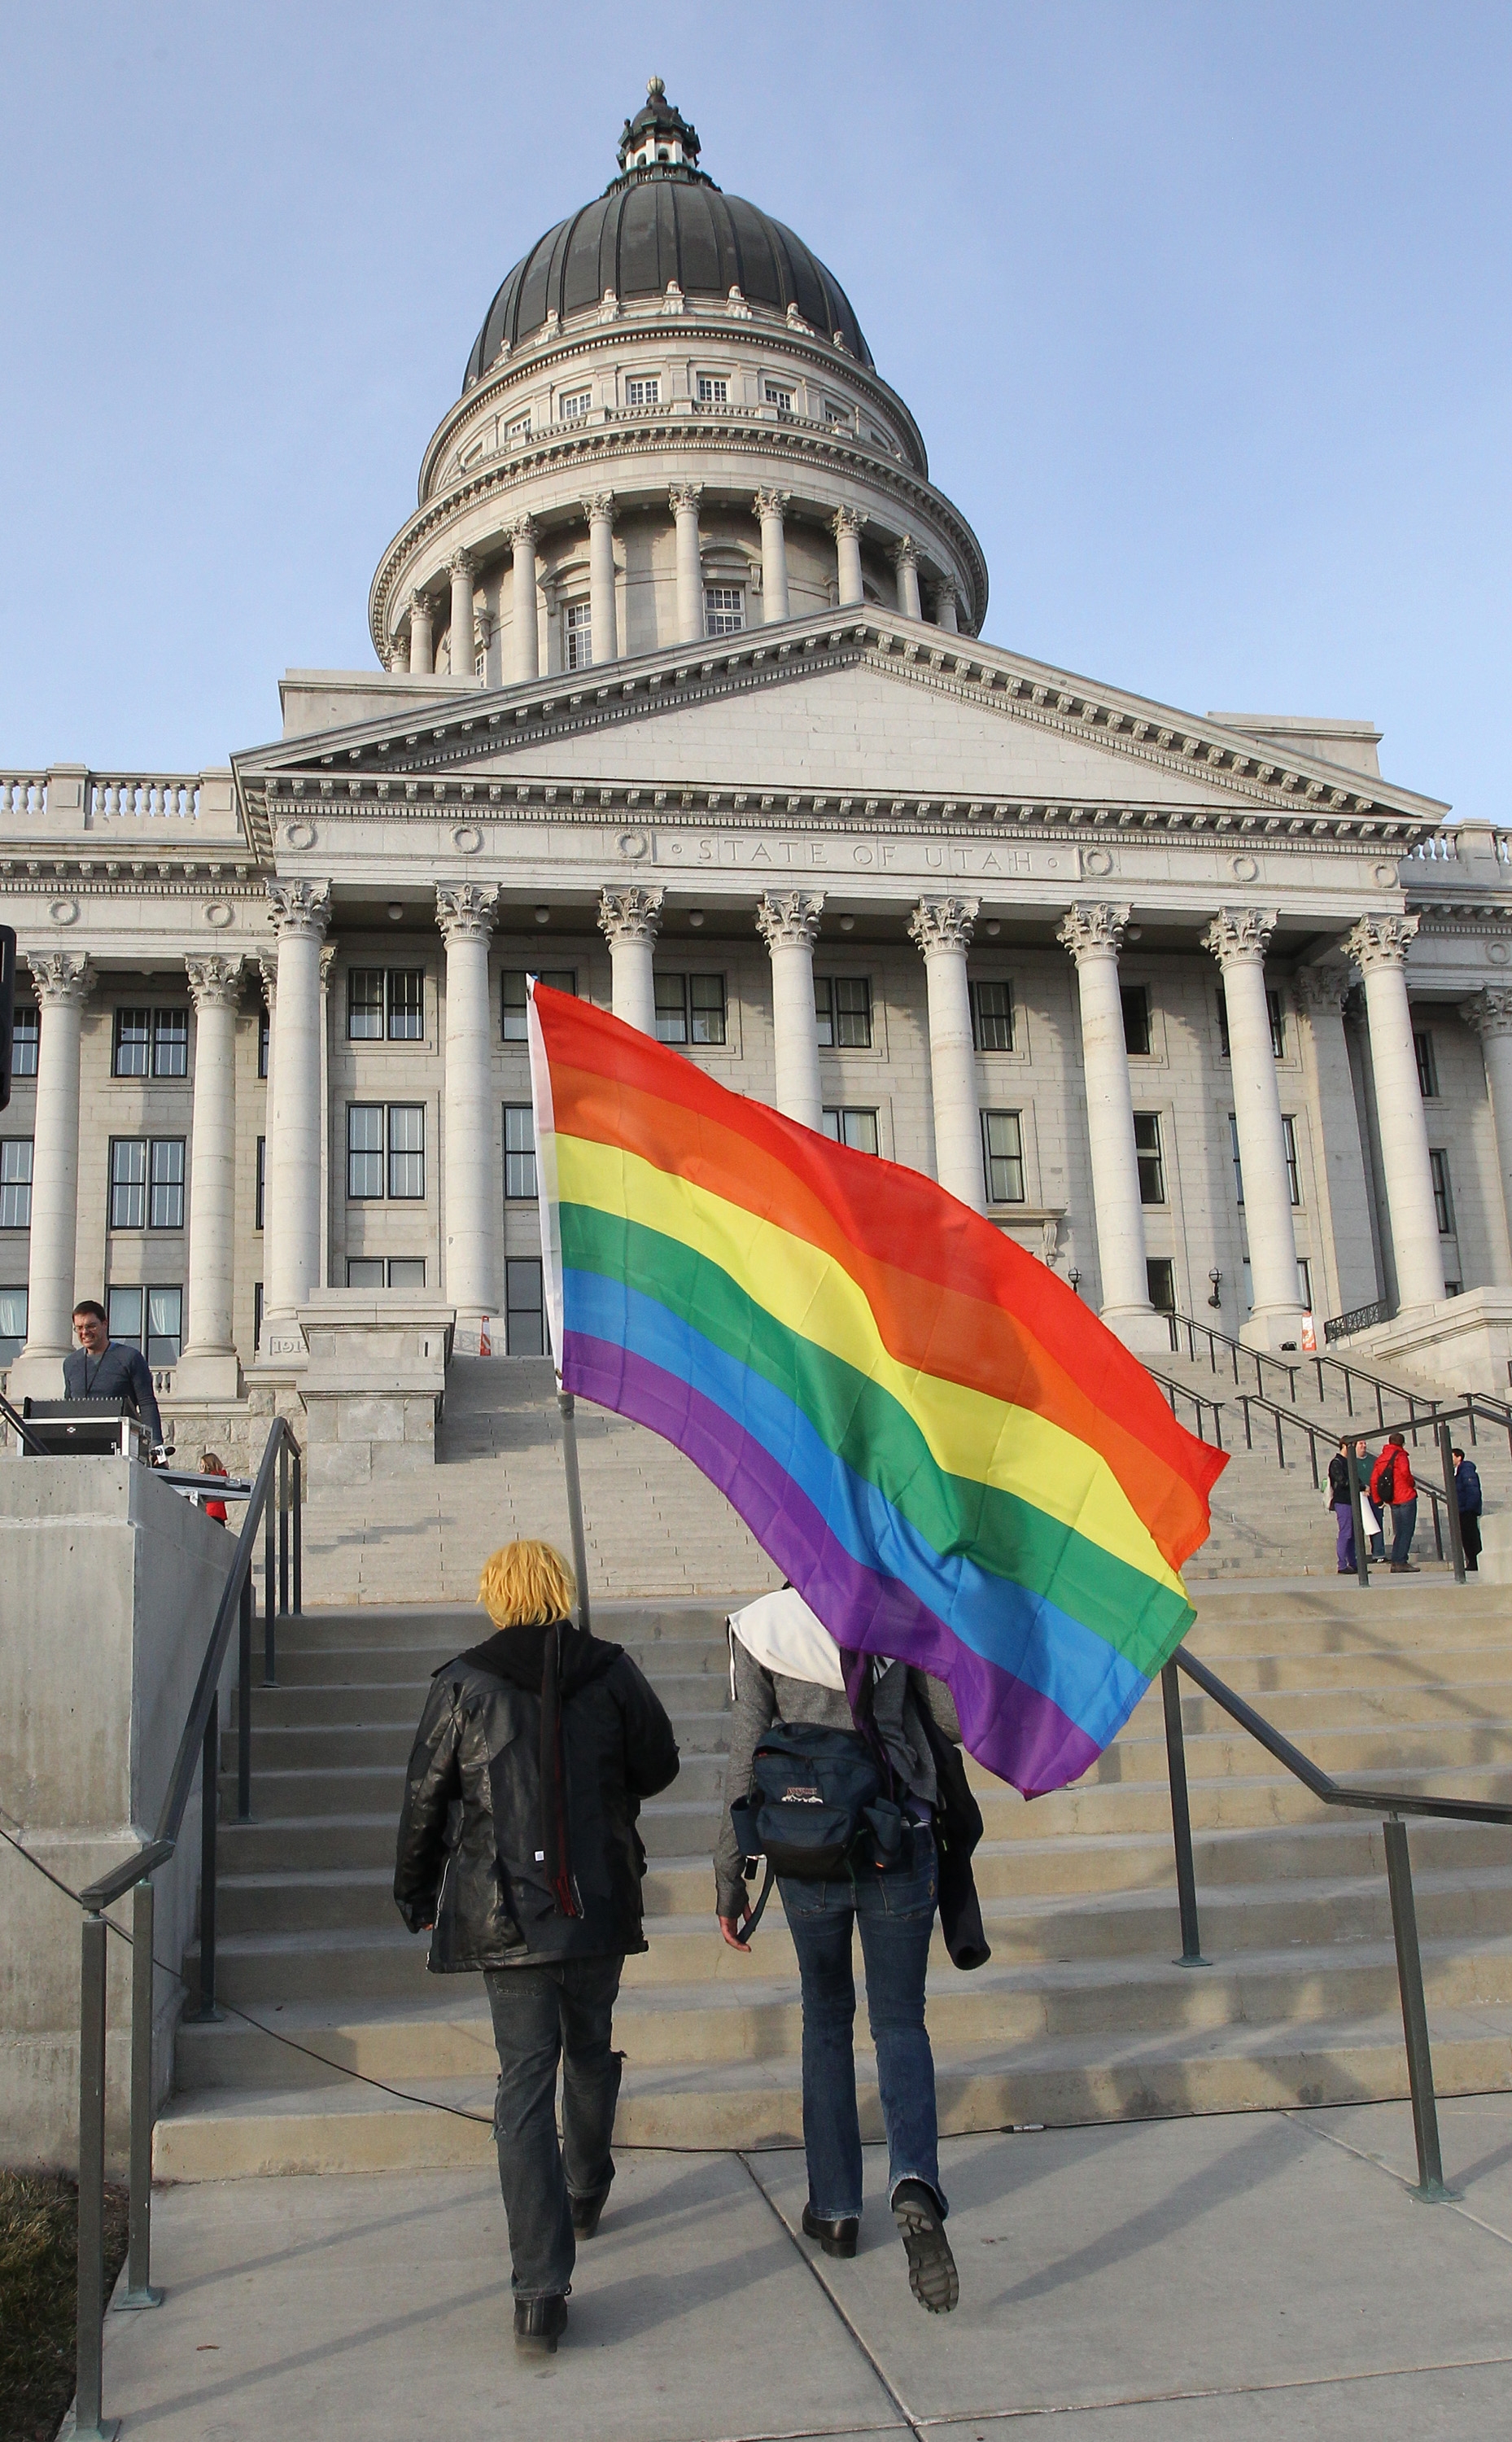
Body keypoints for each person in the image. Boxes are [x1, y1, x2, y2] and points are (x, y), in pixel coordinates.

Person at [393, 1538, 678, 2357]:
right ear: (560, 1589)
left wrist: (414, 1892)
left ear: (495, 1594)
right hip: (592, 1906)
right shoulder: (610, 1668)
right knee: (587, 2050)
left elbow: (425, 1797)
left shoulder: (462, 1683)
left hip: (506, 1911)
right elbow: (659, 1763)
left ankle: (538, 2293)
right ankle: (586, 2186)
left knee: (522, 2081)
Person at [716, 1599, 964, 2317]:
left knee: (824, 2020)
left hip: (807, 1845)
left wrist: (730, 1874)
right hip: (893, 1840)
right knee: (899, 2023)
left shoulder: (761, 1627)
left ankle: (835, 2209)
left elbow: (743, 1756)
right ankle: (913, 2176)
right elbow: (948, 1723)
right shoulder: (900, 1611)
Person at [62, 1299, 164, 1446]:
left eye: (91, 1326)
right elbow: (68, 1406)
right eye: (79, 1328)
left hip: (122, 1443)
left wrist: (155, 1443)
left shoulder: (130, 1357)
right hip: (81, 1444)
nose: (85, 1332)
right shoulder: (70, 1363)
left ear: (105, 1324)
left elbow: (146, 1403)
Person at [1370, 1433, 1419, 1572]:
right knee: (1406, 1530)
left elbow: (1374, 1480)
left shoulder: (1381, 1458)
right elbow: (1405, 1472)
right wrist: (1413, 1484)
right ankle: (1400, 1561)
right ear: (1402, 1444)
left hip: (1392, 1499)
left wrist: (1378, 1499)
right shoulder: (1401, 1456)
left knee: (1400, 1530)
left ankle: (1396, 1561)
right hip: (1405, 1496)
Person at [1326, 1438, 1358, 1572]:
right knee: (1345, 1532)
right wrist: (1360, 1486)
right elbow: (1341, 1480)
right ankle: (1342, 1564)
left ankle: (1354, 1563)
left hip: (1352, 1500)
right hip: (1342, 1501)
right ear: (1345, 1446)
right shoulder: (1337, 1462)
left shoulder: (1349, 1462)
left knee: (1353, 1533)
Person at [1453, 1446, 1483, 1572]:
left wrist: (1469, 1507)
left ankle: (1475, 1561)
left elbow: (1472, 1489)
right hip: (1462, 1508)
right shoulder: (1459, 1471)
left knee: (1471, 1536)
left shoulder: (1466, 1470)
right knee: (1466, 1536)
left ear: (1459, 1457)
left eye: (1452, 1456)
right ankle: (1472, 1561)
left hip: (1467, 1509)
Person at [195, 1451, 230, 1525]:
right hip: (218, 1513)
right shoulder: (221, 1474)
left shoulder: (214, 1476)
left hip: (211, 1511)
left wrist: (202, 1473)